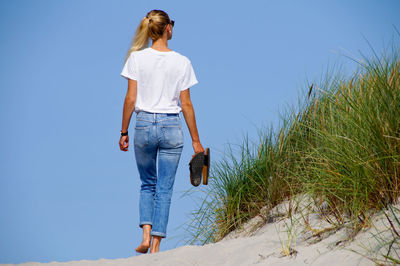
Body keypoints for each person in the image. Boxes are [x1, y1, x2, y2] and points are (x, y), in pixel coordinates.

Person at [118, 9, 205, 254]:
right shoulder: (182, 61)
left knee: (148, 184)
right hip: (171, 126)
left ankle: (145, 236)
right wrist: (196, 142)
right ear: (167, 28)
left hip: (144, 124)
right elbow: (186, 104)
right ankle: (156, 246)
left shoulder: (136, 59)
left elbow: (130, 99)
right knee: (165, 187)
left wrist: (123, 131)